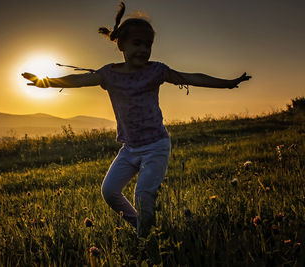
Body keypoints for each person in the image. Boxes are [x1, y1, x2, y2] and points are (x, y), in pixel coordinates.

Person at [22, 2, 251, 237]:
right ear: (121, 45)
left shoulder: (156, 71)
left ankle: (146, 240)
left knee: (143, 195)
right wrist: (45, 81)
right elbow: (77, 81)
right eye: (137, 43)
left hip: (156, 146)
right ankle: (144, 227)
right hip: (129, 148)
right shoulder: (108, 74)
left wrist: (228, 83)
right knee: (109, 192)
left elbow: (192, 77)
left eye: (148, 44)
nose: (143, 49)